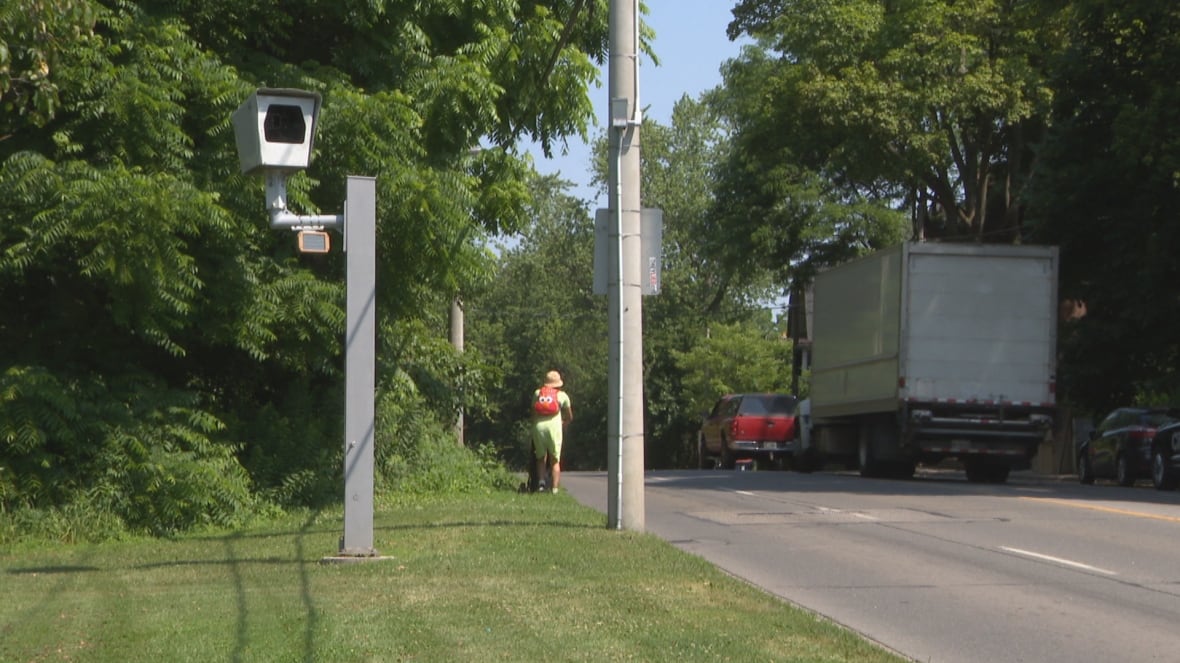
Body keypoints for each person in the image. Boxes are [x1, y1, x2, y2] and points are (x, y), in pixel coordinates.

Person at [531, 370, 572, 493]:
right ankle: (554, 489)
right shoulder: (562, 396)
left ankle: (541, 484)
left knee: (541, 458)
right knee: (555, 460)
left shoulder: (538, 393)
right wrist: (564, 423)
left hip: (539, 427)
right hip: (554, 429)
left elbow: (533, 412)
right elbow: (570, 416)